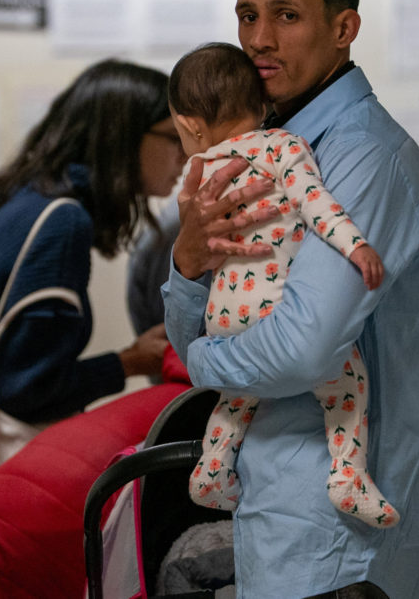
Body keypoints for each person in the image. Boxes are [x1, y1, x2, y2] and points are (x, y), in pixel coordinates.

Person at [0, 59, 274, 566]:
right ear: (122, 136)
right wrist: (129, 361)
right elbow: (29, 389)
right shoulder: (63, 222)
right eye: (174, 135)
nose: (187, 152)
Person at [163, 0, 419, 599]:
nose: (259, 39)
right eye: (247, 16)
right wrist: (187, 261)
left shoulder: (362, 155)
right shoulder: (261, 150)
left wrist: (202, 360)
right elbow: (202, 321)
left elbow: (301, 351)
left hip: (341, 545)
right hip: (279, 521)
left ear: (343, 29)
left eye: (286, 16)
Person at [168, 41, 396, 529]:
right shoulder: (282, 145)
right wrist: (356, 245)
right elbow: (316, 204)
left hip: (222, 314)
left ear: (190, 126)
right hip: (272, 305)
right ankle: (348, 475)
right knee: (348, 385)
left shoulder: (198, 173)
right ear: (263, 104)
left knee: (238, 394)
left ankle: (212, 470)